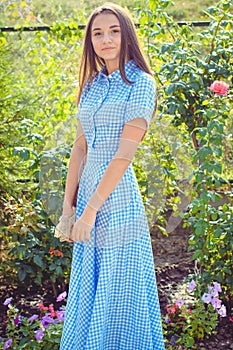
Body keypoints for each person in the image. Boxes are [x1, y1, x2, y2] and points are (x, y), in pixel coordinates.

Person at [58, 2, 165, 349]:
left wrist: (89, 211)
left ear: (127, 35)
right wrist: (67, 209)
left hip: (117, 198)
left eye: (114, 31)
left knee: (119, 290)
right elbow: (80, 149)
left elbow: (122, 157)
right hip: (87, 189)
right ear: (91, 41)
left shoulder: (141, 83)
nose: (106, 39)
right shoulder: (91, 84)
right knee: (91, 287)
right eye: (98, 33)